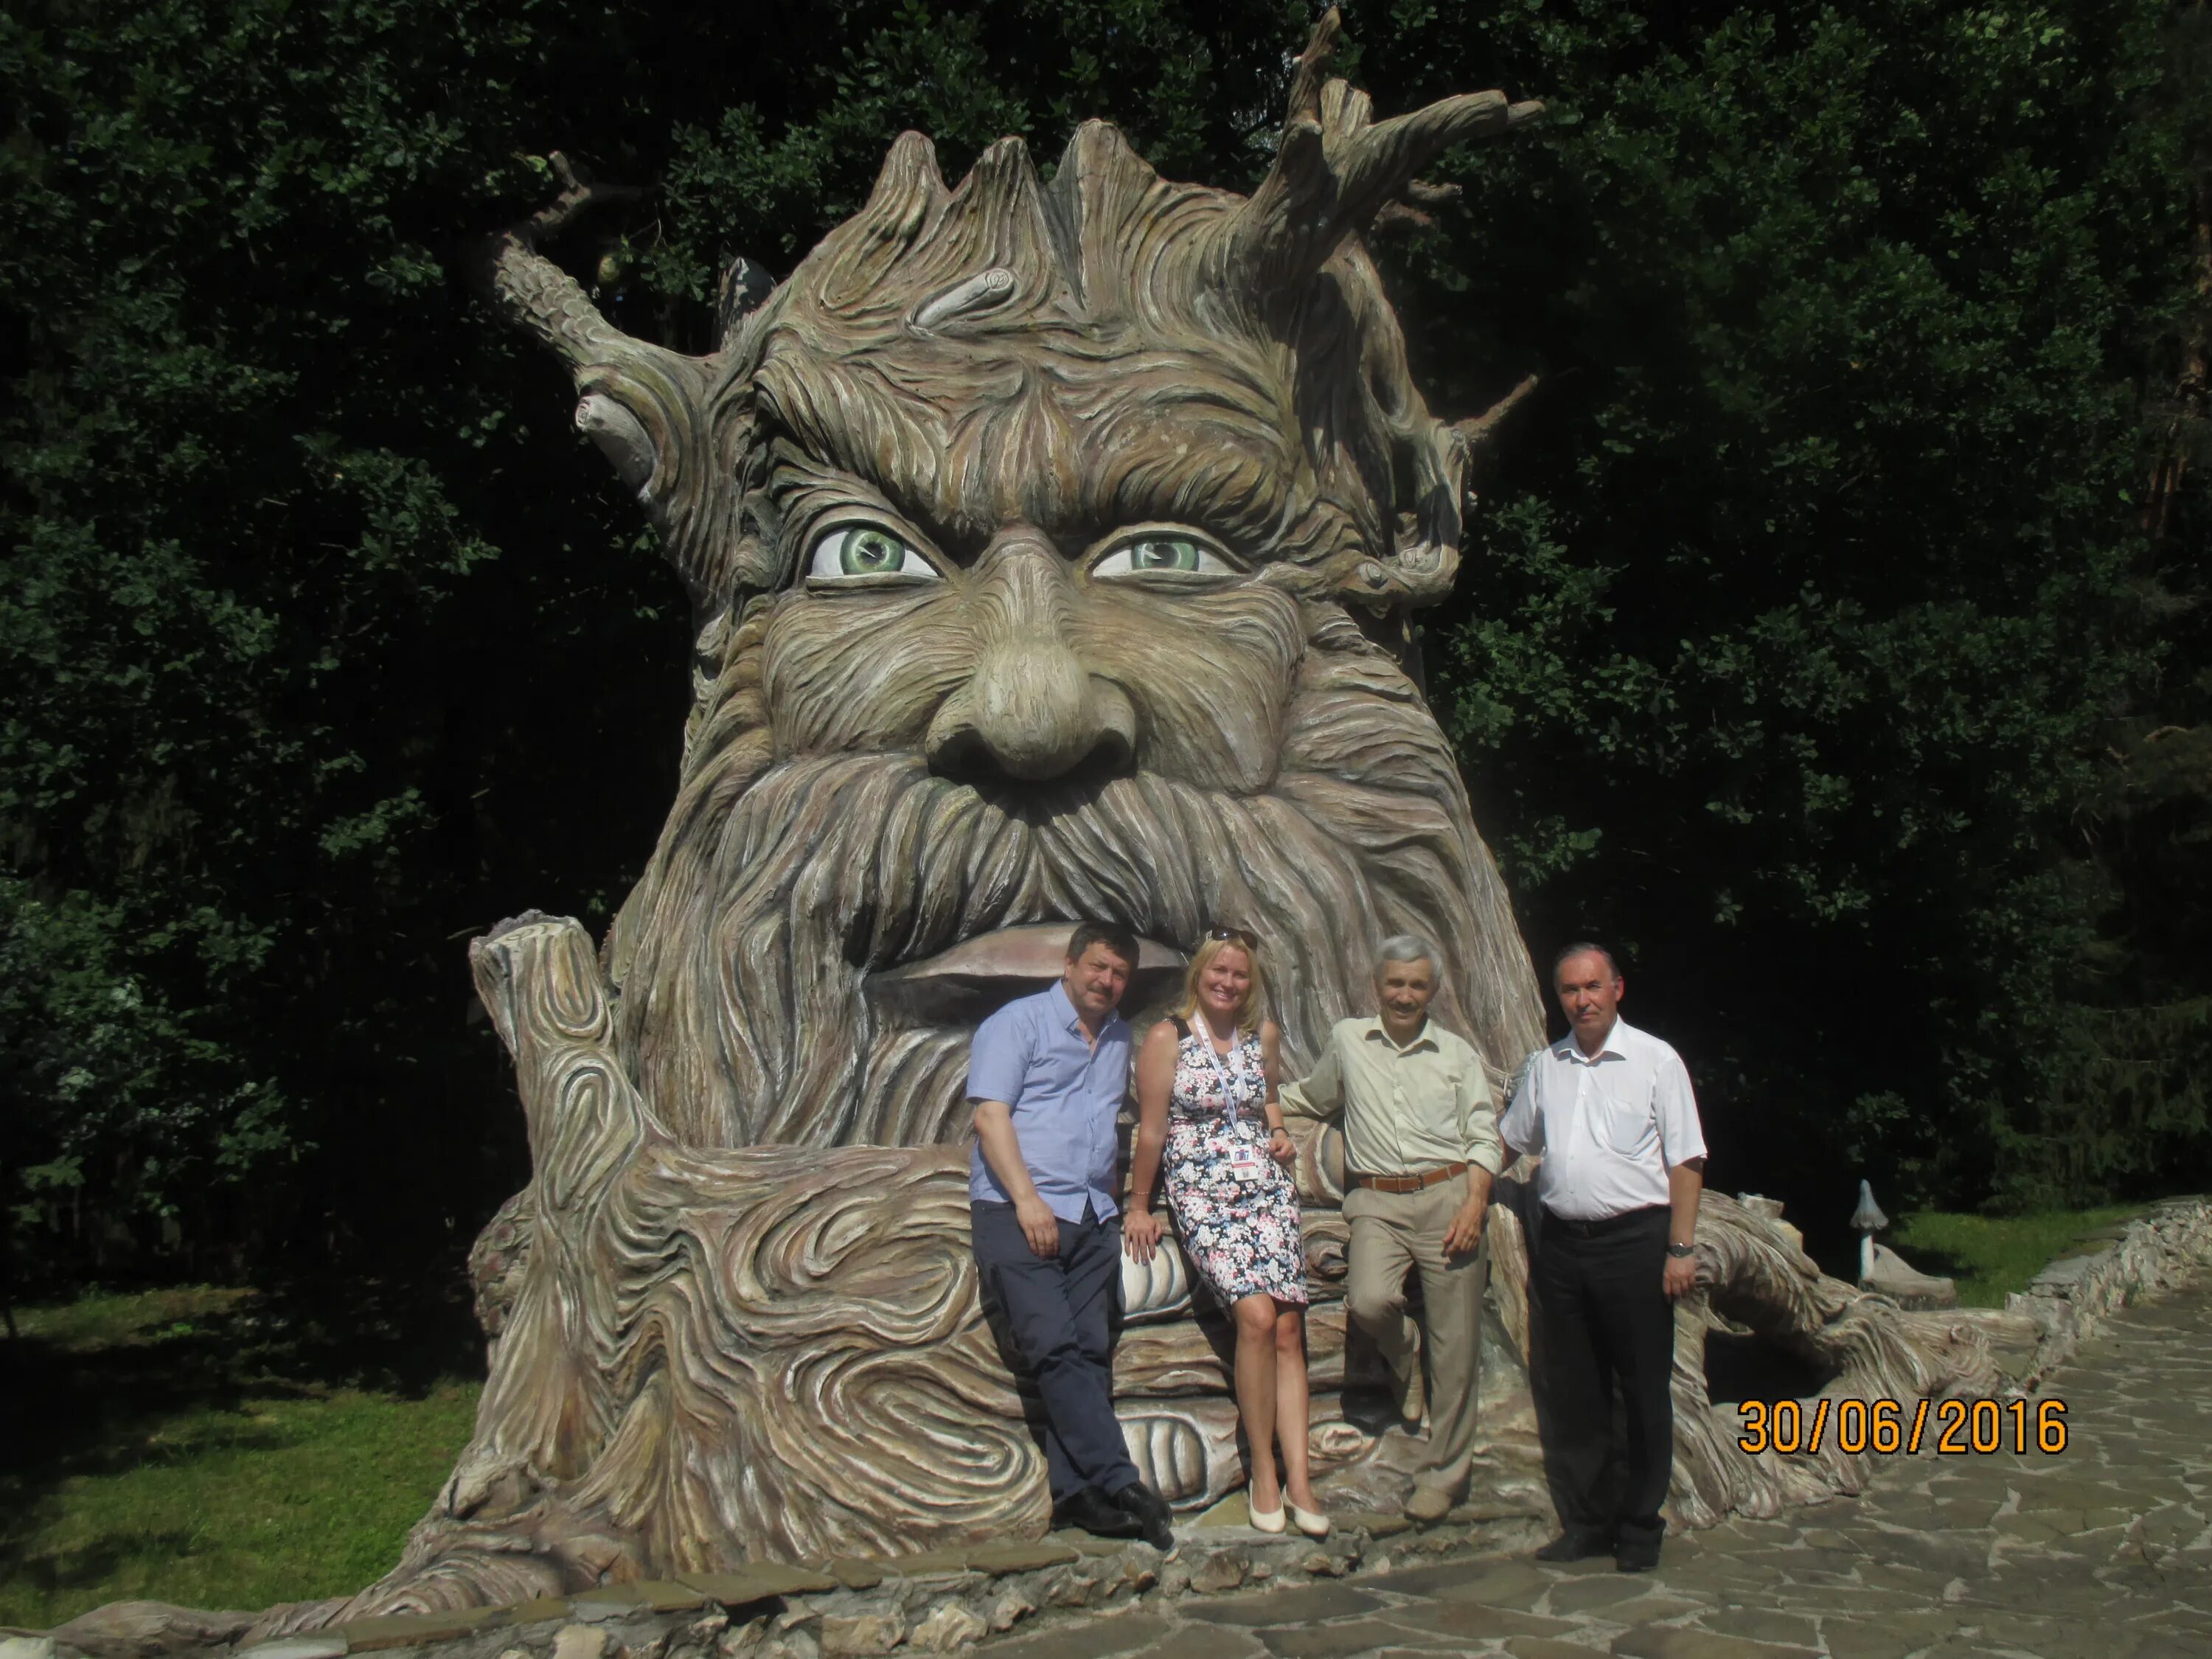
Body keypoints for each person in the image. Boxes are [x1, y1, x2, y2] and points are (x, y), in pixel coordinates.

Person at [967, 920, 1176, 1551]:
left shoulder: (1118, 1038)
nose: (1107, 982)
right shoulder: (1018, 1023)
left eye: (1119, 974)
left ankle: (1075, 1496)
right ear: (1070, 965)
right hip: (1018, 1208)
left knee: (1088, 1349)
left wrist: (1138, 1204)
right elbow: (990, 1114)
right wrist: (1027, 1201)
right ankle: (1120, 1481)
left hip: (1092, 1214)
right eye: (1098, 968)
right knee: (1052, 1345)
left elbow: (1147, 1122)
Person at [1281, 934, 1503, 1523]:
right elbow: (1311, 1095)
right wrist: (1243, 1099)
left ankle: (1444, 1476)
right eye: (1395, 983)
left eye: (1417, 985)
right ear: (1376, 986)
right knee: (1371, 1300)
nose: (1405, 995)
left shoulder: (1457, 1053)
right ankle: (1404, 1351)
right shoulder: (1348, 1040)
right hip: (1377, 1201)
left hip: (1449, 1196)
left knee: (1456, 1349)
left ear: (1432, 991)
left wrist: (1475, 1201)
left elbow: (1484, 1134)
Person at [1500, 942, 1708, 1573]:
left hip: (1636, 1243)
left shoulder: (1654, 1060)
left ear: (1618, 988)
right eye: (1569, 990)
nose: (1582, 1000)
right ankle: (1587, 1523)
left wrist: (1680, 1247)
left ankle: (1641, 1526)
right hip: (1563, 1248)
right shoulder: (1547, 1065)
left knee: (1643, 1391)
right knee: (1576, 1391)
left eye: (1593, 987)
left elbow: (1687, 1160)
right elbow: (1511, 1139)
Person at [1124, 927, 1328, 1538]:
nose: (1228, 983)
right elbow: (1153, 1130)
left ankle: (1302, 1477)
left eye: (1239, 975)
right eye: (1219, 972)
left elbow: (1265, 1103)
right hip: (1205, 1192)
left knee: (1290, 1326)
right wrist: (1140, 1204)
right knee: (1257, 1318)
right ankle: (1262, 1471)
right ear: (1200, 975)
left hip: (1264, 1187)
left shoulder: (1260, 1038)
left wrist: (1282, 1131)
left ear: (1250, 982)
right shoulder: (1169, 1038)